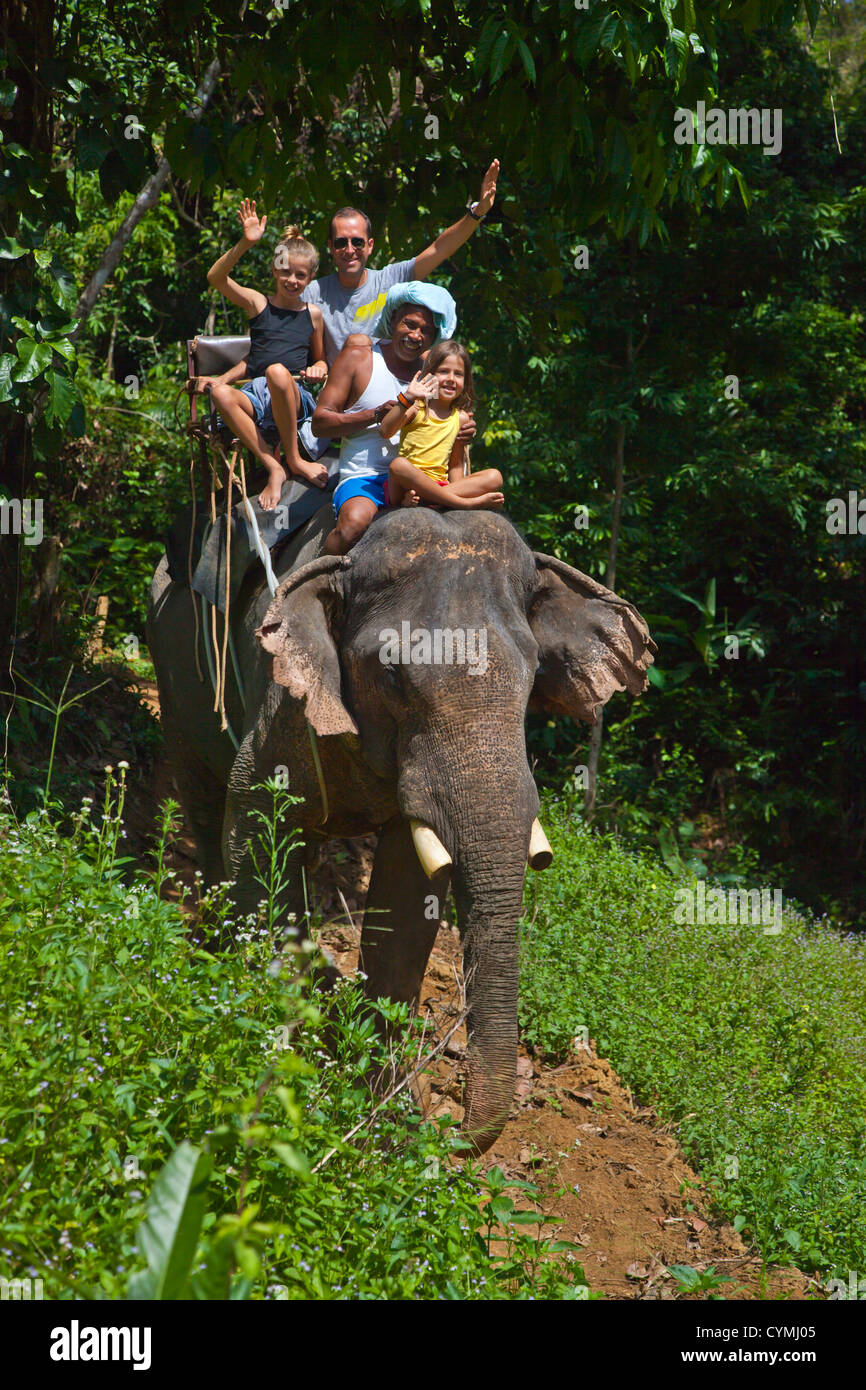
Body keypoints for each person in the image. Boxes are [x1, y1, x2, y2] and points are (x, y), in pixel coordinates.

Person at [313, 282, 457, 554]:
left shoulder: (433, 372)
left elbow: (450, 415)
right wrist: (373, 415)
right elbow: (320, 424)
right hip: (365, 477)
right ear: (392, 321)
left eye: (426, 331)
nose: (416, 335)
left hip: (419, 480)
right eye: (409, 324)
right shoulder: (360, 358)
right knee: (353, 525)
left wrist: (464, 428)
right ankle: (317, 583)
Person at [205, 200, 329, 508]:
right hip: (257, 394)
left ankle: (295, 459)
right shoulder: (258, 303)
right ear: (275, 270)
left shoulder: (312, 314)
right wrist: (246, 243)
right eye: (286, 272)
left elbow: (322, 359)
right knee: (221, 392)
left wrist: (319, 369)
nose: (292, 281)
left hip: (293, 392)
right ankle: (273, 465)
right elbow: (216, 278)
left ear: (310, 278)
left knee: (276, 372)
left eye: (300, 275)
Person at [381, 341, 504, 510]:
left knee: (494, 476)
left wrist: (461, 488)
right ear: (430, 375)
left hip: (441, 486)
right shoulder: (417, 407)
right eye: (444, 371)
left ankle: (434, 499)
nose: (451, 379)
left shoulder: (460, 418)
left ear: (466, 380)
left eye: (458, 374)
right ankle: (463, 503)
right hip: (406, 486)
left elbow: (455, 464)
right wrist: (407, 398)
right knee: (398, 465)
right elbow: (385, 431)